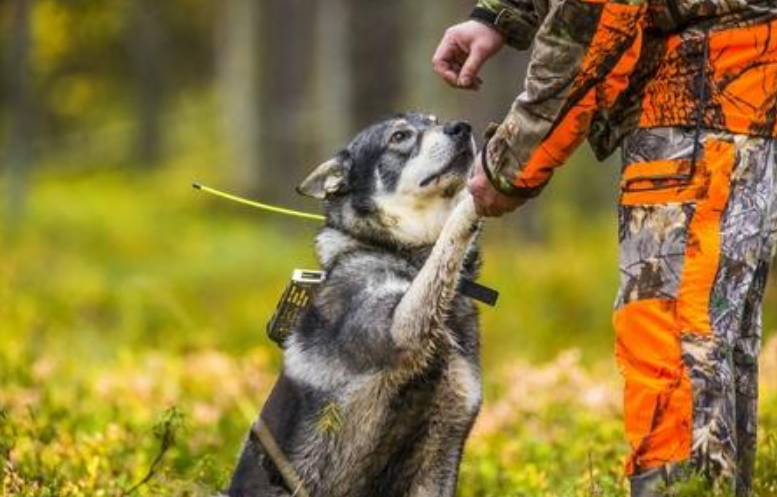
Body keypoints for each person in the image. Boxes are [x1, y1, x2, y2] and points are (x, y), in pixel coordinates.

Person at [433, 0, 777, 495]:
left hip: (697, 103)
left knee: (673, 355)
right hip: (733, 106)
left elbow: (598, 16)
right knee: (709, 357)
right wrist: (500, 17)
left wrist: (512, 162)